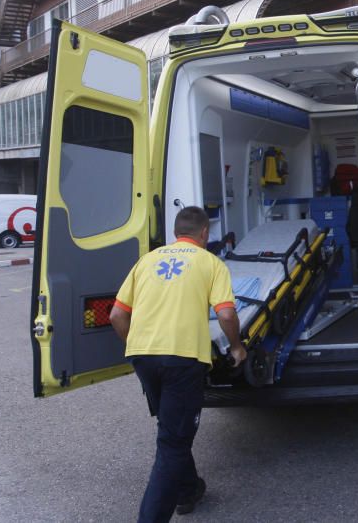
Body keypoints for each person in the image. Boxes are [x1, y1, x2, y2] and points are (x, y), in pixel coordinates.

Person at [109, 207, 247, 523]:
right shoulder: (211, 263)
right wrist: (237, 348)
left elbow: (117, 315)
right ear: (204, 234)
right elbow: (226, 314)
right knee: (172, 442)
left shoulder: (146, 261)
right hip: (183, 360)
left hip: (143, 356)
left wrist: (137, 346)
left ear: (176, 232)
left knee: (172, 426)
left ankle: (188, 490)